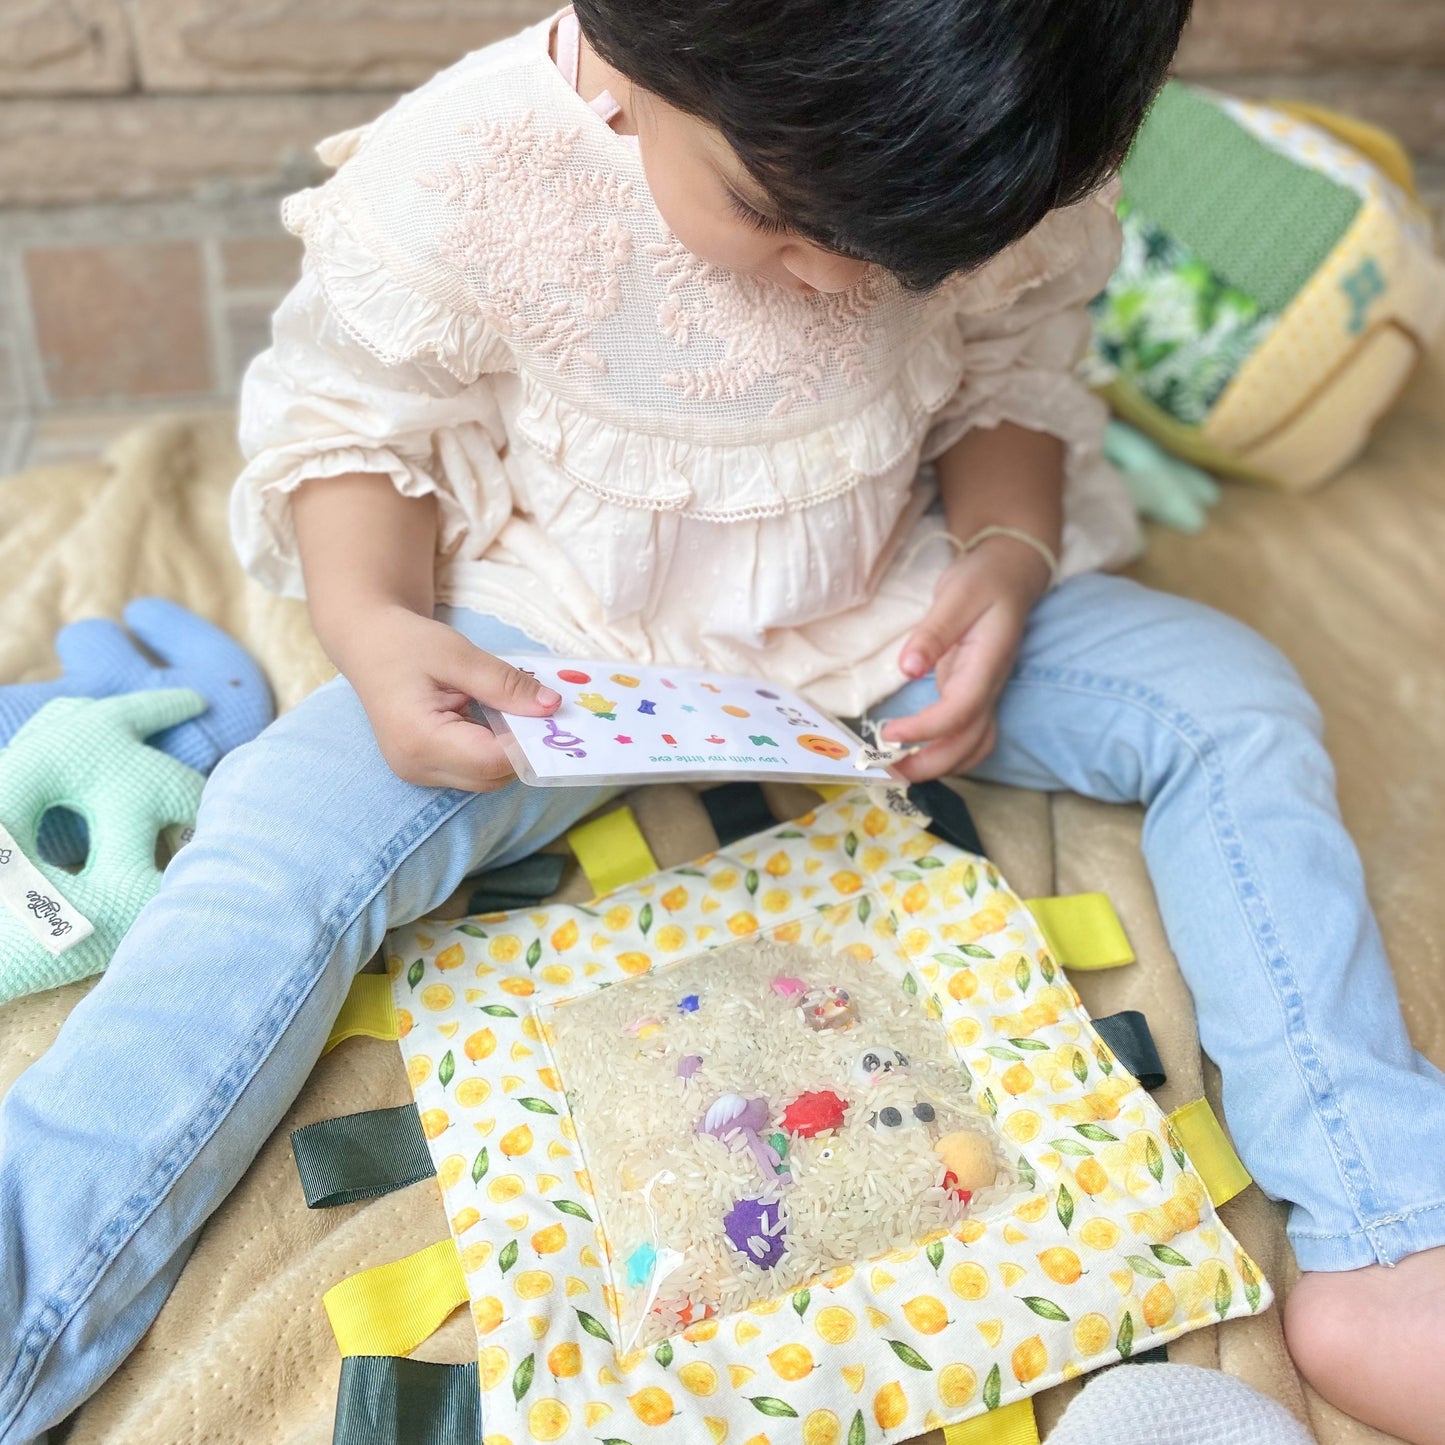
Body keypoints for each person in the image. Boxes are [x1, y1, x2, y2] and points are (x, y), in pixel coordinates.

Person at [2, 2, 1441, 1441]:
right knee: (282, 831)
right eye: (775, 216)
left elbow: (1014, 379)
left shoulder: (1001, 142)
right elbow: (352, 431)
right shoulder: (471, 163)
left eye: (910, 257)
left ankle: (1384, 1221)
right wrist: (375, 626)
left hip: (890, 604)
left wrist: (1005, 555)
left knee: (1235, 700)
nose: (845, 278)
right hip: (560, 638)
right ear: (634, 60)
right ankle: (31, 1274)